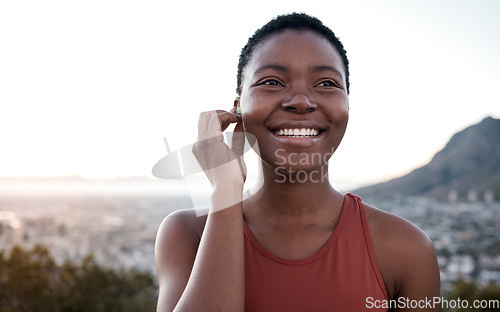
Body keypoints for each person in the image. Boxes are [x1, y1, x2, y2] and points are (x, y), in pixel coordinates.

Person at [155, 13, 440, 312]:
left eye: (327, 83)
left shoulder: (405, 248)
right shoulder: (187, 233)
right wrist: (226, 189)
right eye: (273, 81)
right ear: (238, 106)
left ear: (346, 104)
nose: (301, 101)